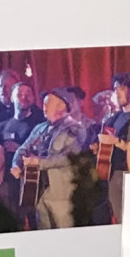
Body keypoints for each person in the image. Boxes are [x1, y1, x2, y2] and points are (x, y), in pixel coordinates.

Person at [17, 87, 93, 229]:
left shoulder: (75, 129)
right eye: (44, 103)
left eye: (49, 103)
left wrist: (39, 162)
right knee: (44, 235)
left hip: (61, 195)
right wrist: (16, 164)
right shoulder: (40, 128)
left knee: (65, 236)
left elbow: (68, 157)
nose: (44, 106)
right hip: (39, 193)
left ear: (61, 106)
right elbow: (23, 148)